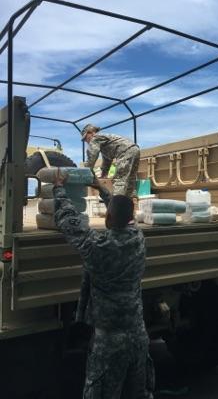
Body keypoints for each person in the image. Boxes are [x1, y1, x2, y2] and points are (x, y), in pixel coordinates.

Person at [53, 171, 154, 398]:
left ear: (107, 218)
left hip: (109, 343)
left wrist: (59, 187)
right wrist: (102, 190)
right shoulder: (138, 239)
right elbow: (122, 215)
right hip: (138, 336)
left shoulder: (96, 246)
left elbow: (68, 220)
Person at [81, 124, 140, 198]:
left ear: (90, 133)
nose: (86, 141)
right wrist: (104, 174)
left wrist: (87, 170)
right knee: (130, 180)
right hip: (135, 149)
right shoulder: (104, 142)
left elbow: (92, 155)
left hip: (125, 151)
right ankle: (131, 202)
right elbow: (107, 161)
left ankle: (116, 204)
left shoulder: (95, 138)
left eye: (86, 138)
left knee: (120, 179)